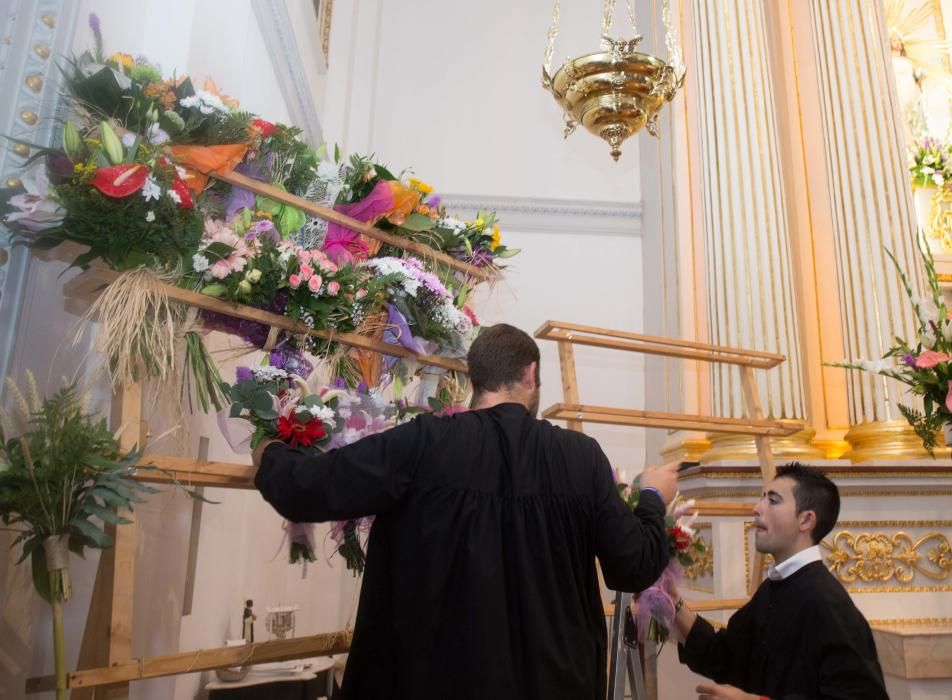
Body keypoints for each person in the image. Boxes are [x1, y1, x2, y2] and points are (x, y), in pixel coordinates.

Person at [253, 323, 679, 699]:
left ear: (473, 378)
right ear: (531, 374)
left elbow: (306, 489)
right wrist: (652, 498)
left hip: (432, 681)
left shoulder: (422, 444)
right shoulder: (579, 458)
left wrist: (270, 451)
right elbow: (634, 566)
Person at [670, 463, 889, 700]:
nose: (757, 508)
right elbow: (726, 657)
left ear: (806, 520)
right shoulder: (774, 588)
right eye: (761, 498)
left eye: (773, 501)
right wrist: (672, 602)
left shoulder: (827, 603)